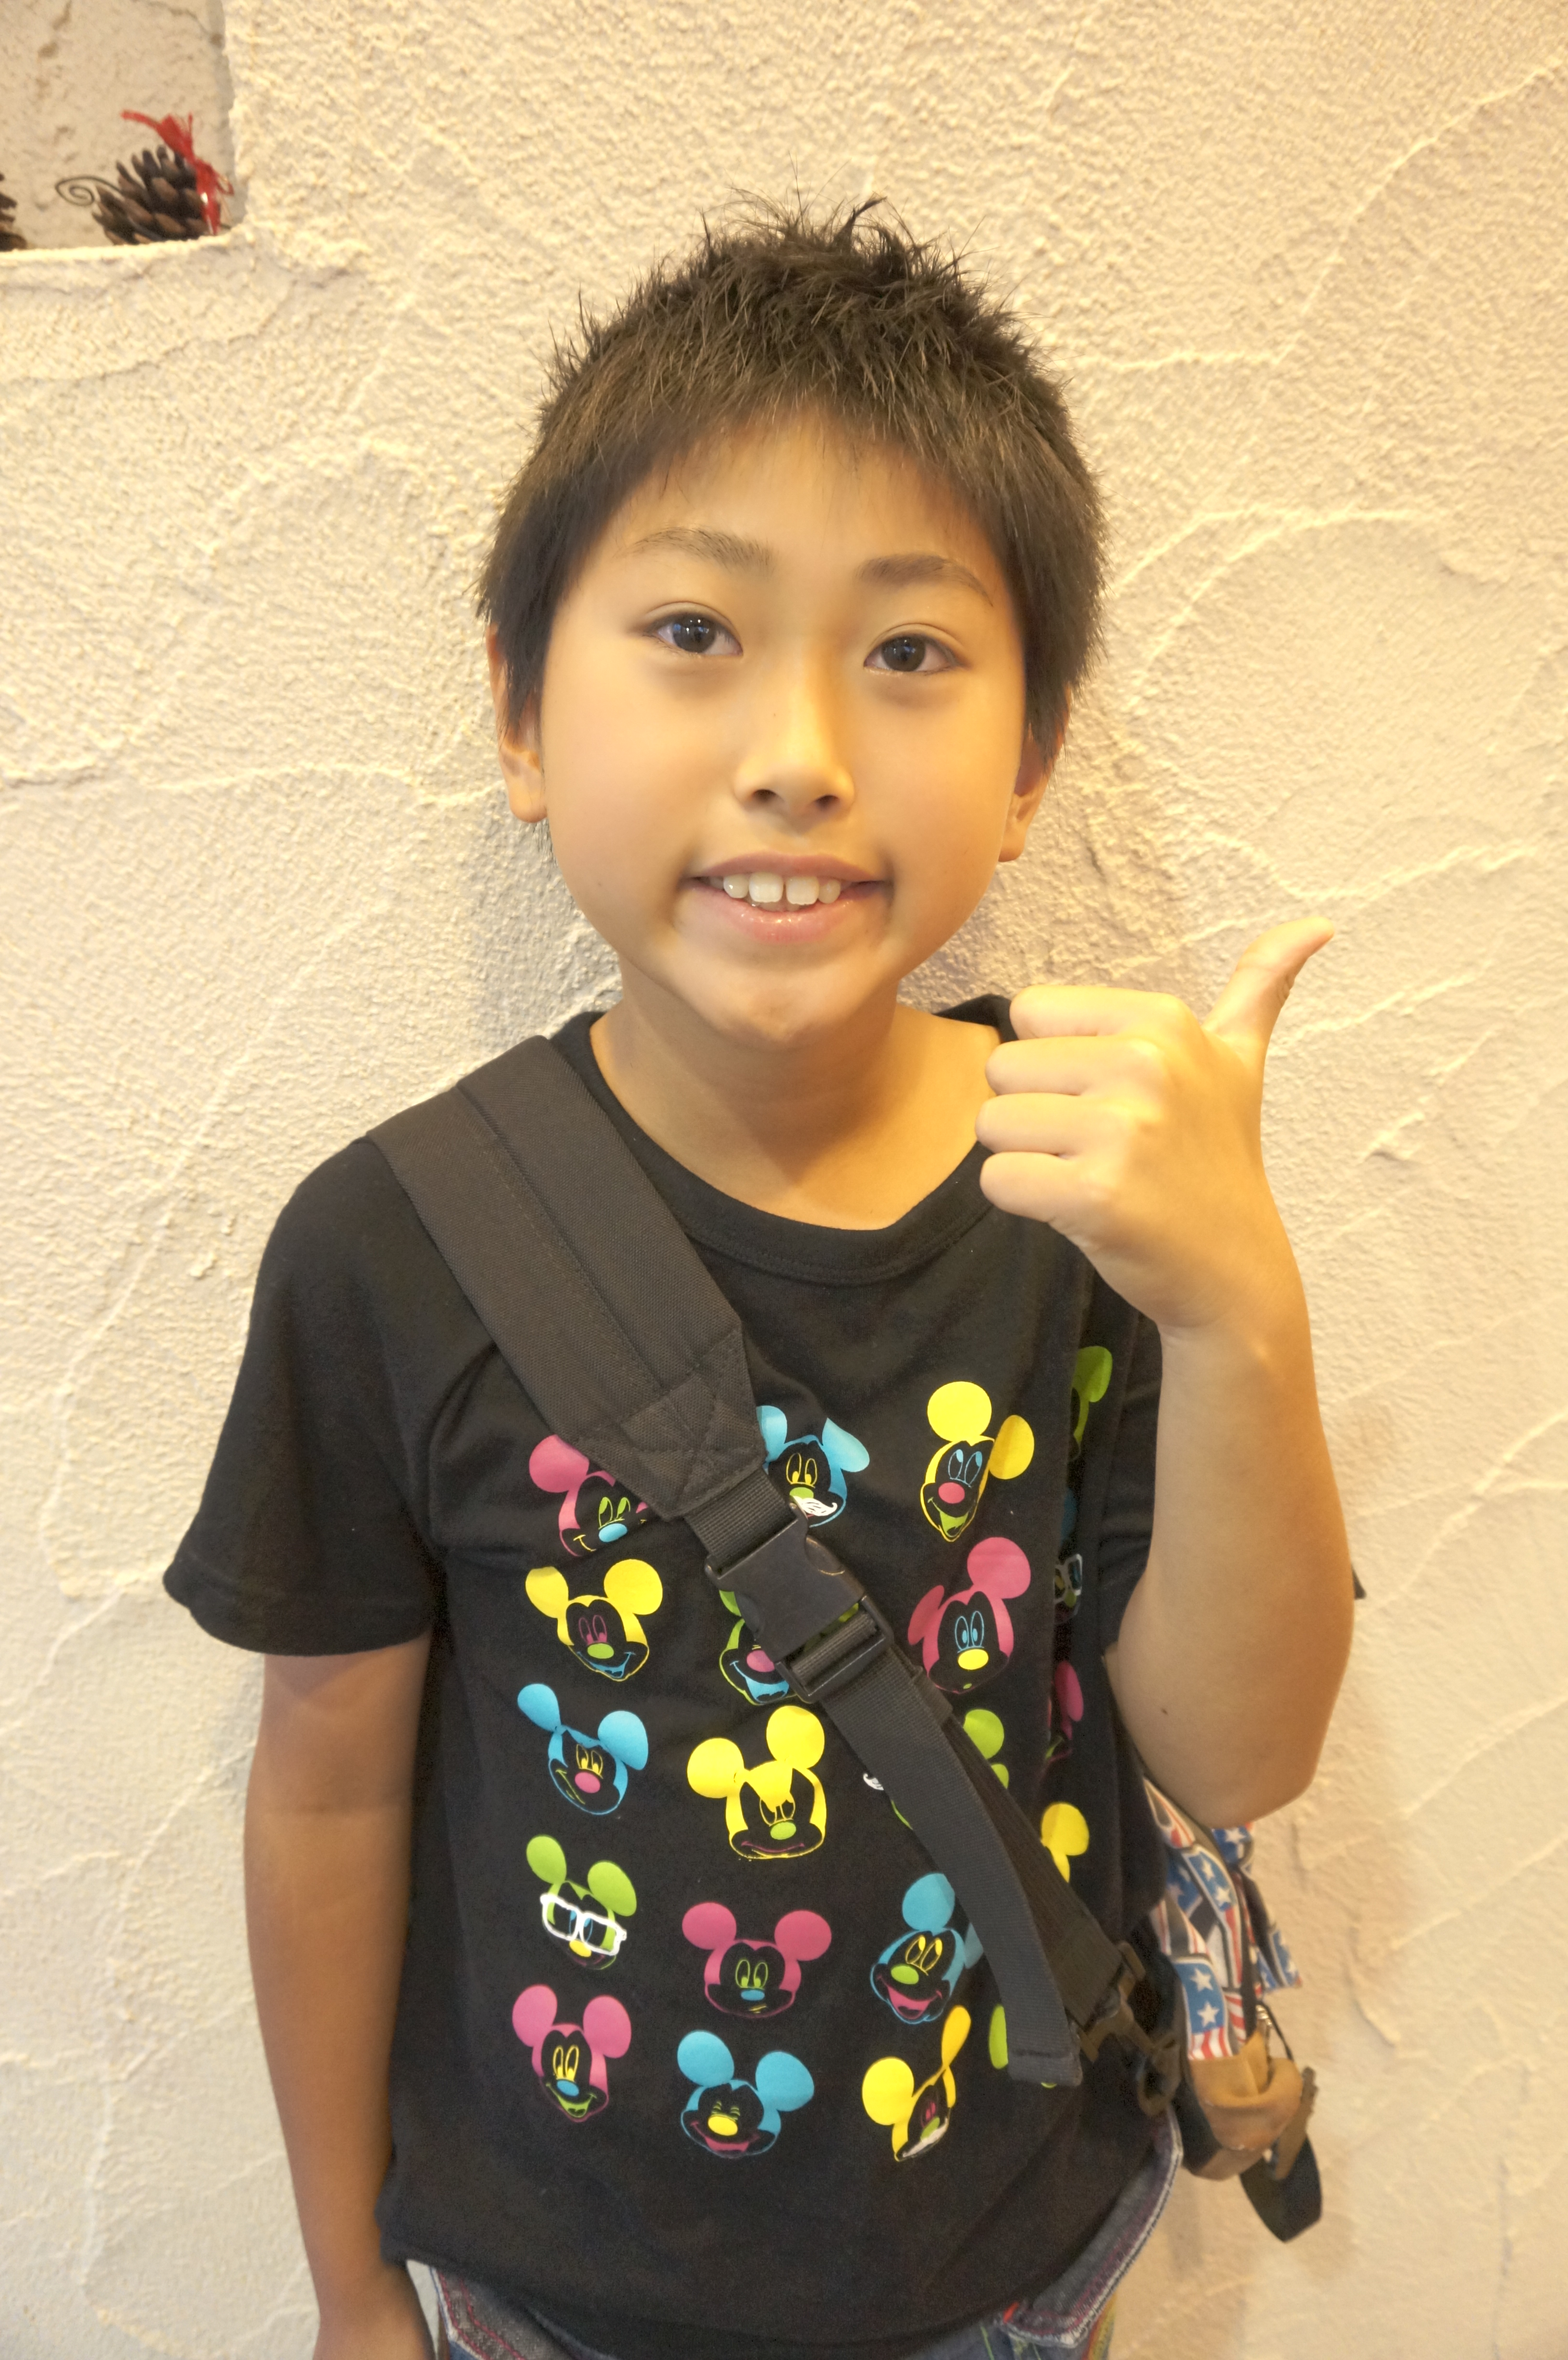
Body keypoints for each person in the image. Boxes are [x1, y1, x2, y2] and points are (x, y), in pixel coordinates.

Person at [165, 203, 1354, 2360]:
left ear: (1030, 759)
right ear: (521, 715)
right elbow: (329, 1788)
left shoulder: (1088, 1185)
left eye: (909, 651)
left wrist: (1237, 1306)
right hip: (553, 2299)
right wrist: (350, 2290)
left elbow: (1237, 1744)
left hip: (1016, 2270)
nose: (800, 745)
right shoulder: (389, 1247)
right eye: (696, 629)